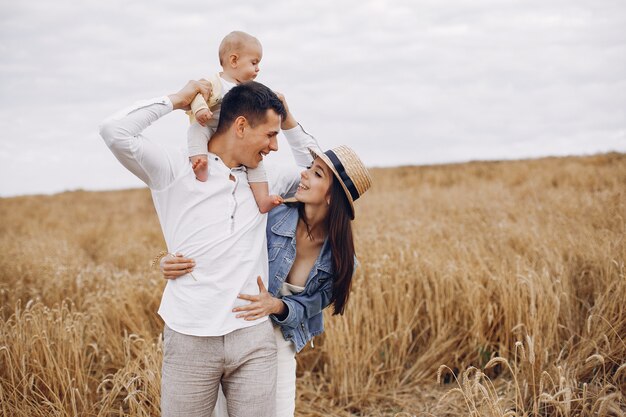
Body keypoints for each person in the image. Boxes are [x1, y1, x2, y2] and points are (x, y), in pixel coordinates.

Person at [99, 79, 318, 416]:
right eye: (271, 135)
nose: (275, 147)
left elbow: (318, 170)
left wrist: (287, 119)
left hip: (252, 338)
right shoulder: (175, 169)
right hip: (190, 335)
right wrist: (176, 99)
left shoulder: (267, 177)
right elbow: (114, 131)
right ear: (241, 126)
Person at [161, 111, 372, 415]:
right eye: (310, 169)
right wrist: (165, 259)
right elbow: (217, 237)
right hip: (233, 328)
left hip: (279, 341)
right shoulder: (273, 213)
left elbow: (312, 305)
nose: (303, 174)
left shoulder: (341, 259)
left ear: (331, 198)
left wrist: (277, 306)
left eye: (316, 174)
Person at [188, 30, 282, 213]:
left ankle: (263, 199)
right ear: (234, 60)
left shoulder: (247, 90)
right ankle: (200, 163)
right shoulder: (213, 82)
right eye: (254, 63)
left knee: (256, 163)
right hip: (210, 123)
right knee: (195, 132)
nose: (258, 68)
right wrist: (200, 109)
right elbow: (196, 95)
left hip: (235, 135)